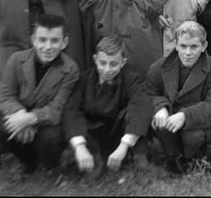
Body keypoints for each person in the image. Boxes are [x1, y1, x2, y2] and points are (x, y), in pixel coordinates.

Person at [0, 14, 80, 173]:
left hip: (45, 122)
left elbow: (57, 108)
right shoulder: (17, 59)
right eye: (42, 40)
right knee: (0, 128)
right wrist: (20, 115)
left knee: (51, 139)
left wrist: (31, 118)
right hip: (19, 115)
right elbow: (5, 95)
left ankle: (49, 164)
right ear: (34, 40)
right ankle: (27, 160)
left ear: (64, 43)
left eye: (54, 41)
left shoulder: (70, 69)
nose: (48, 47)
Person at [63, 35, 153, 179]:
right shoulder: (84, 80)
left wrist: (124, 145)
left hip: (119, 133)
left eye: (113, 64)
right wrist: (79, 146)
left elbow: (141, 106)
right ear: (95, 60)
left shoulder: (131, 79)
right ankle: (92, 155)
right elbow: (72, 111)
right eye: (102, 63)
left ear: (123, 63)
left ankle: (135, 154)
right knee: (92, 174)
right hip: (93, 133)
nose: (107, 69)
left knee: (137, 109)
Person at [145, 21, 211, 174]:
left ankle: (195, 158)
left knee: (194, 137)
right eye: (183, 46)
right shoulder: (158, 67)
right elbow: (149, 93)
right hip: (169, 117)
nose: (187, 52)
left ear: (204, 46)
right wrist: (159, 107)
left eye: (194, 47)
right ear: (176, 45)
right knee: (161, 123)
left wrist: (185, 116)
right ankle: (173, 156)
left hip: (197, 123)